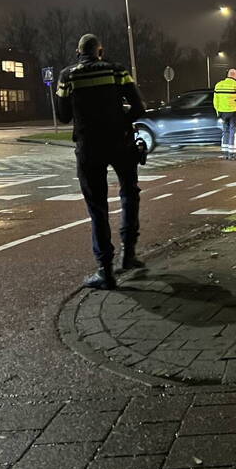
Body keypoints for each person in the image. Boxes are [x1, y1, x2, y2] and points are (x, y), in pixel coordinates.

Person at [56, 34, 145, 290]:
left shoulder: (68, 76)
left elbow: (62, 117)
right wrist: (121, 120)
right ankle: (129, 255)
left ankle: (105, 271)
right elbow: (139, 107)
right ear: (100, 51)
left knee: (98, 207)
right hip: (120, 141)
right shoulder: (117, 71)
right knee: (130, 192)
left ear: (78, 52)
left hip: (89, 146)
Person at [213, 68, 236, 160]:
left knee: (225, 131)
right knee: (233, 132)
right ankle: (232, 153)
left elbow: (215, 101)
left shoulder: (218, 85)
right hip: (233, 113)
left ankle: (225, 152)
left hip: (222, 113)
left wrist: (218, 112)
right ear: (235, 75)